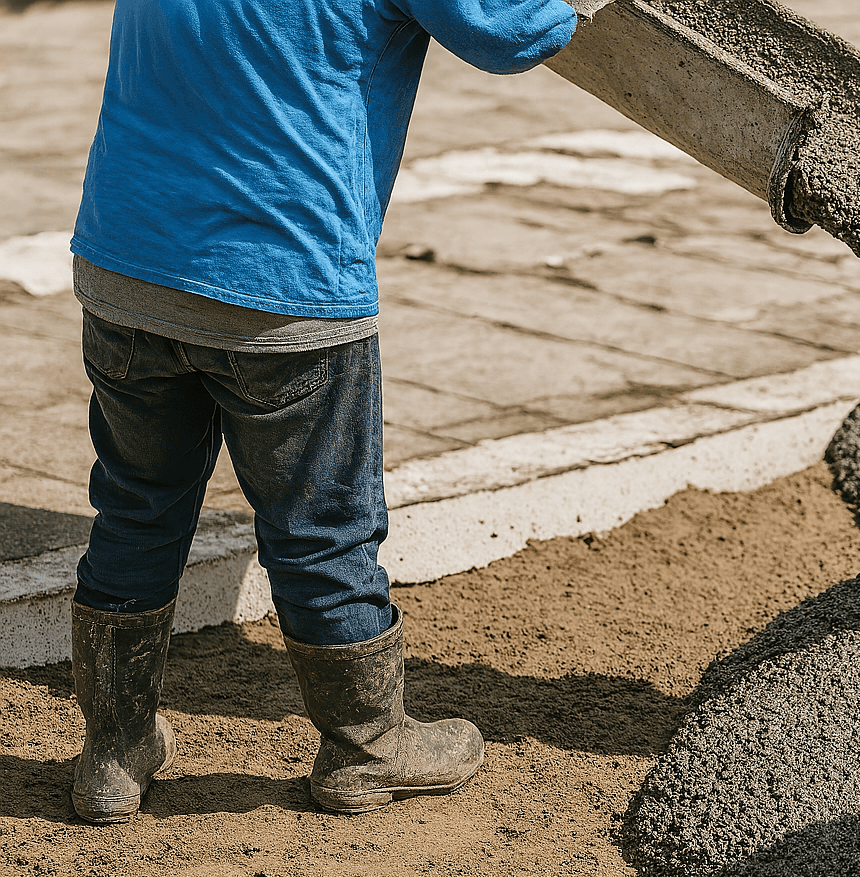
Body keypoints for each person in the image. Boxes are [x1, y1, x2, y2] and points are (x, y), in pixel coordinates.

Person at [66, 0, 584, 823]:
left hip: (124, 263)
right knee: (320, 526)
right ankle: (365, 750)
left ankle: (112, 756)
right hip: (283, 286)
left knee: (134, 507)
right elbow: (513, 29)